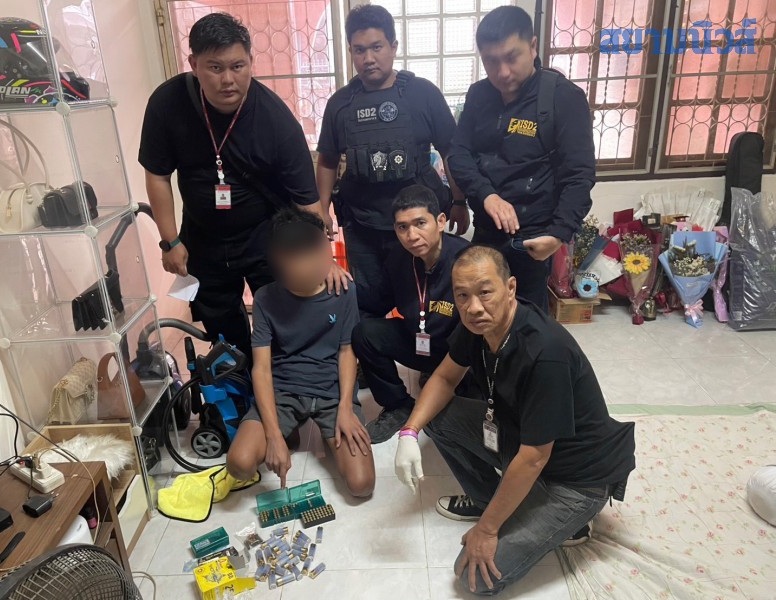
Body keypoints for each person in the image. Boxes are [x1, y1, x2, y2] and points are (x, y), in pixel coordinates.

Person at [394, 245, 635, 595]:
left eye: (485, 292)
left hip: (575, 479)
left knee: (473, 576)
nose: (473, 307)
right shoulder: (478, 326)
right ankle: (490, 502)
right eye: (462, 295)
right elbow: (444, 379)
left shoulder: (545, 352)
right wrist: (408, 433)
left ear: (510, 288)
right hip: (522, 440)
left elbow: (535, 456)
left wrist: (487, 530)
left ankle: (569, 521)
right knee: (437, 415)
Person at [139, 12, 348, 364]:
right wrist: (170, 241)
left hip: (266, 236)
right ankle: (241, 382)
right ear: (193, 64)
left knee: (283, 320)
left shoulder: (275, 119)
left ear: (251, 61)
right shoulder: (167, 104)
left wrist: (322, 259)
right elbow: (157, 175)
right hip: (203, 237)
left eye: (238, 66)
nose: (228, 80)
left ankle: (279, 381)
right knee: (224, 332)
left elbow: (308, 203)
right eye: (215, 67)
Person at [316, 4, 470, 321]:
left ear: (393, 46)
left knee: (429, 302)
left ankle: (429, 350)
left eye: (377, 47)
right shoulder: (340, 104)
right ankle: (374, 351)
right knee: (368, 305)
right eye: (359, 50)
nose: (368, 58)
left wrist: (459, 201)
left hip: (418, 225)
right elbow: (327, 161)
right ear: (350, 51)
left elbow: (450, 152)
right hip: (363, 226)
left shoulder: (422, 93)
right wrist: (322, 211)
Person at [447, 6, 596, 312]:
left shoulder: (562, 97)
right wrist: (486, 195)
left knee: (528, 322)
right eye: (491, 61)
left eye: (511, 57)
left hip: (533, 240)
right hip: (486, 231)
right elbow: (458, 155)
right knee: (480, 315)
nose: (502, 72)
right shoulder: (478, 95)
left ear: (532, 46)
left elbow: (579, 175)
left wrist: (558, 234)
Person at [226, 209, 375, 497]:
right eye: (295, 271)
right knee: (240, 464)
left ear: (325, 256)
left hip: (331, 392)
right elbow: (261, 368)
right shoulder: (266, 298)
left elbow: (347, 352)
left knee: (362, 485)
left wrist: (346, 408)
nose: (305, 275)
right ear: (280, 268)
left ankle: (328, 436)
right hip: (284, 391)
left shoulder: (344, 290)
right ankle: (287, 431)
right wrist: (273, 435)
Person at [352, 185, 468, 443]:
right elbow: (379, 300)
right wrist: (340, 288)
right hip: (419, 344)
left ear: (440, 221)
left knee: (459, 415)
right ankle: (397, 405)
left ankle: (453, 385)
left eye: (420, 223)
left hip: (460, 356)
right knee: (365, 333)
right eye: (402, 227)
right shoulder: (398, 258)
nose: (411, 235)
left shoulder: (466, 259)